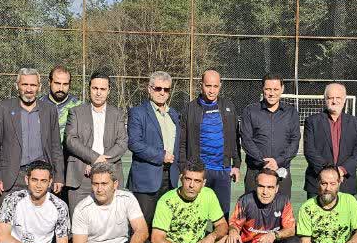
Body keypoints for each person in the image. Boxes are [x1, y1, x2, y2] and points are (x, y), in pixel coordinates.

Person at [0, 67, 64, 197]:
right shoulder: (3, 108)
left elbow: (56, 146)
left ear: (39, 87)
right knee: (10, 211)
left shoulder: (49, 110)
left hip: (41, 176)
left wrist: (59, 176)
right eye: (25, 84)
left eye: (33, 85)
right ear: (17, 86)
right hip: (12, 177)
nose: (29, 89)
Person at [178, 69, 241, 213]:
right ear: (201, 85)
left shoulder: (228, 107)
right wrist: (182, 168)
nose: (212, 90)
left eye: (215, 86)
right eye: (208, 86)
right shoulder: (189, 108)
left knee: (222, 215)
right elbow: (182, 142)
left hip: (223, 171)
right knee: (194, 215)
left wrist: (236, 165)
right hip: (198, 172)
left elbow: (234, 138)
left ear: (220, 86)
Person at [64, 72, 128, 209]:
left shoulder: (117, 114)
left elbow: (122, 143)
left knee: (109, 221)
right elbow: (70, 140)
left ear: (109, 91)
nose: (98, 93)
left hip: (109, 176)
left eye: (103, 89)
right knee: (79, 220)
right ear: (89, 89)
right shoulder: (75, 112)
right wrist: (94, 158)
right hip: (81, 176)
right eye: (95, 88)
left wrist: (100, 164)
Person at [127, 71, 181, 224]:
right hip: (146, 181)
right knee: (143, 227)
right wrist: (161, 155)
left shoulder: (173, 114)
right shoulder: (138, 112)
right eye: (158, 88)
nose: (162, 92)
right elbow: (134, 143)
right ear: (149, 89)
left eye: (166, 89)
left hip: (170, 179)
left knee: (165, 225)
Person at [238, 74, 300, 196]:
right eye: (268, 89)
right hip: (255, 172)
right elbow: (246, 140)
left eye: (275, 89)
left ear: (282, 89)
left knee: (282, 208)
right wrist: (263, 161)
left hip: (281, 171)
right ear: (262, 89)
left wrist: (278, 161)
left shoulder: (291, 113)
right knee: (252, 208)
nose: (272, 93)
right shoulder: (250, 111)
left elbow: (295, 141)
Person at [303, 82, 357, 197]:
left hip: (345, 183)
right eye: (330, 98)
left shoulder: (355, 122)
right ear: (325, 99)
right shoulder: (312, 121)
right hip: (318, 182)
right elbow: (309, 151)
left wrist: (342, 170)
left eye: (338, 98)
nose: (334, 101)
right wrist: (329, 173)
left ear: (344, 99)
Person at [46, 65, 83, 143]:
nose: (61, 88)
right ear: (49, 82)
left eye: (65, 84)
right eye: (57, 83)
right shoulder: (39, 104)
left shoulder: (78, 107)